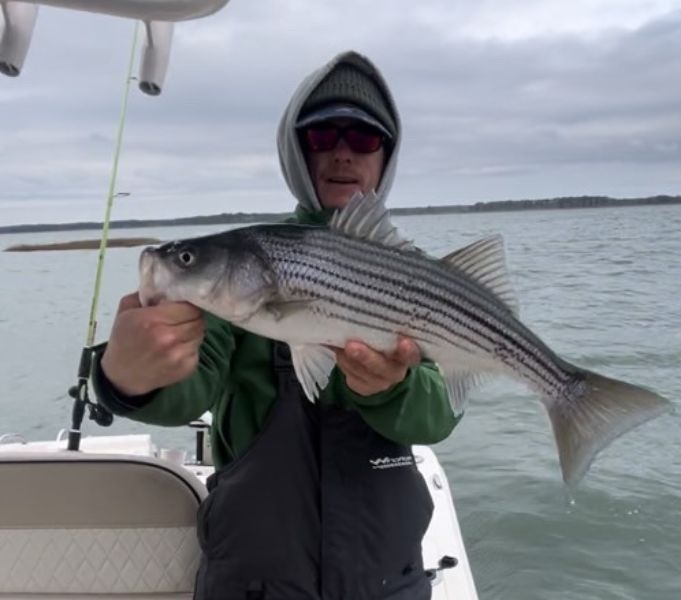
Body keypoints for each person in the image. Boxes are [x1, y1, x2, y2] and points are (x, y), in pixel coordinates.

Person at [92, 50, 460, 600]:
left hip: (387, 582)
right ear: (296, 150)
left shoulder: (416, 278)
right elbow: (191, 387)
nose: (341, 152)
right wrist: (125, 377)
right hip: (254, 584)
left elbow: (439, 415)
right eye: (321, 136)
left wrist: (395, 388)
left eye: (363, 138)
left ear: (385, 157)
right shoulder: (242, 278)